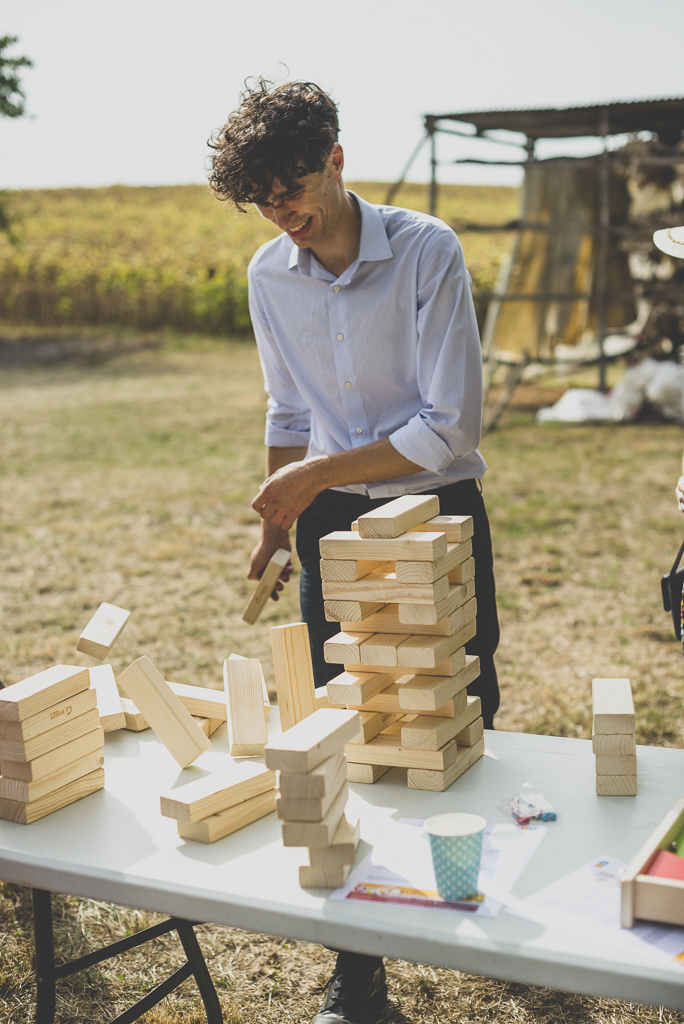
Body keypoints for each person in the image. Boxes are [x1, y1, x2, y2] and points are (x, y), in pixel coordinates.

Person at [209, 78, 501, 1024]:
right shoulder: (267, 274)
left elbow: (445, 427)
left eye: (292, 189)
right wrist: (279, 513)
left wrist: (308, 476)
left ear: (335, 160)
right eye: (265, 202)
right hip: (333, 522)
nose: (283, 214)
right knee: (345, 725)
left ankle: (489, 912)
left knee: (459, 709)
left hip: (436, 511)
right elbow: (288, 409)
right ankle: (359, 968)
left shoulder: (426, 251)